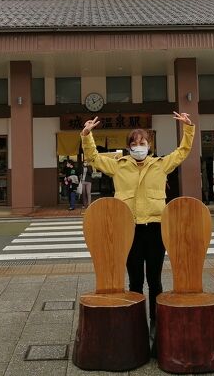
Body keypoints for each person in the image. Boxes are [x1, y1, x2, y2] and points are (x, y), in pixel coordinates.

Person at [80, 111, 194, 335]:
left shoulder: (161, 165)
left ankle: (156, 323)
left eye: (142, 143)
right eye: (134, 143)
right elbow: (93, 158)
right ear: (129, 147)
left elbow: (183, 152)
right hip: (128, 230)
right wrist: (86, 135)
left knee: (155, 280)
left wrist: (189, 128)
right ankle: (136, 324)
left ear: (148, 145)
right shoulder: (119, 165)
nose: (138, 147)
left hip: (155, 228)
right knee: (134, 281)